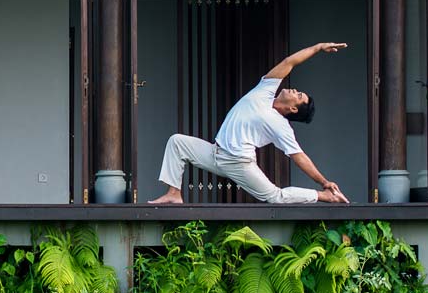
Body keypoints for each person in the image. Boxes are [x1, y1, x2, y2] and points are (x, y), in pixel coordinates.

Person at [149, 42, 350, 205]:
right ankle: (174, 193)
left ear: (294, 109)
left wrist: (323, 183)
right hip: (215, 153)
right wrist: (317, 48)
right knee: (177, 142)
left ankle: (324, 196)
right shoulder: (266, 90)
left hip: (239, 162)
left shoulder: (281, 127)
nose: (294, 90)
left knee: (274, 196)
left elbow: (299, 157)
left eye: (298, 95)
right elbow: (290, 62)